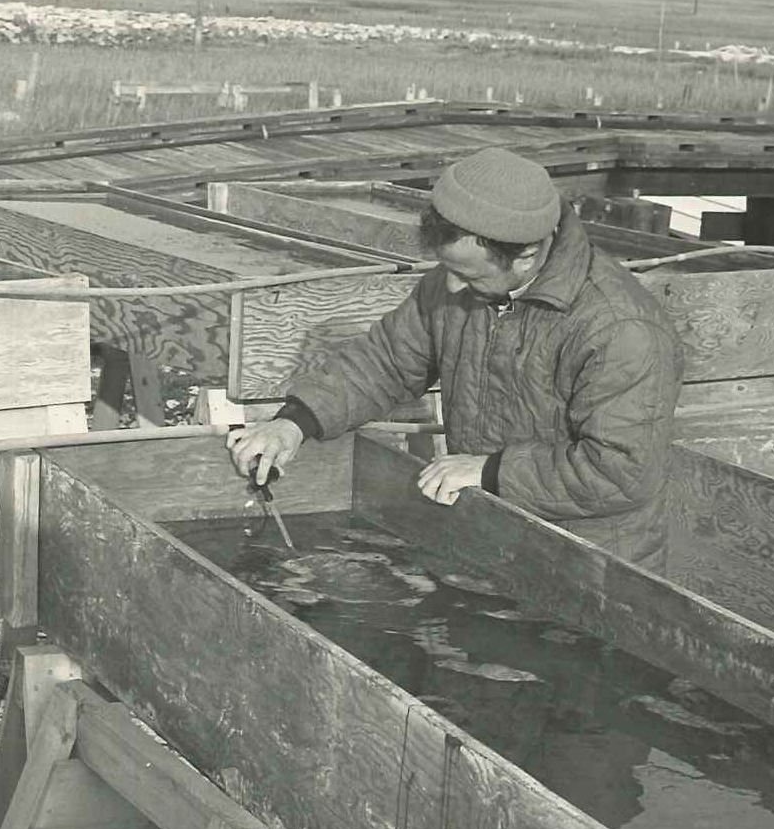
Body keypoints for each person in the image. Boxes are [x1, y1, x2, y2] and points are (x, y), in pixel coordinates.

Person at [228, 146, 683, 568]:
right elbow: (385, 362)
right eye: (445, 268)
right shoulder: (462, 282)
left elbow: (621, 472)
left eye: (466, 275)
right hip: (492, 532)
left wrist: (489, 471)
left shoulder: (621, 330)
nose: (449, 289)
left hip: (591, 564)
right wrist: (293, 423)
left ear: (525, 256)